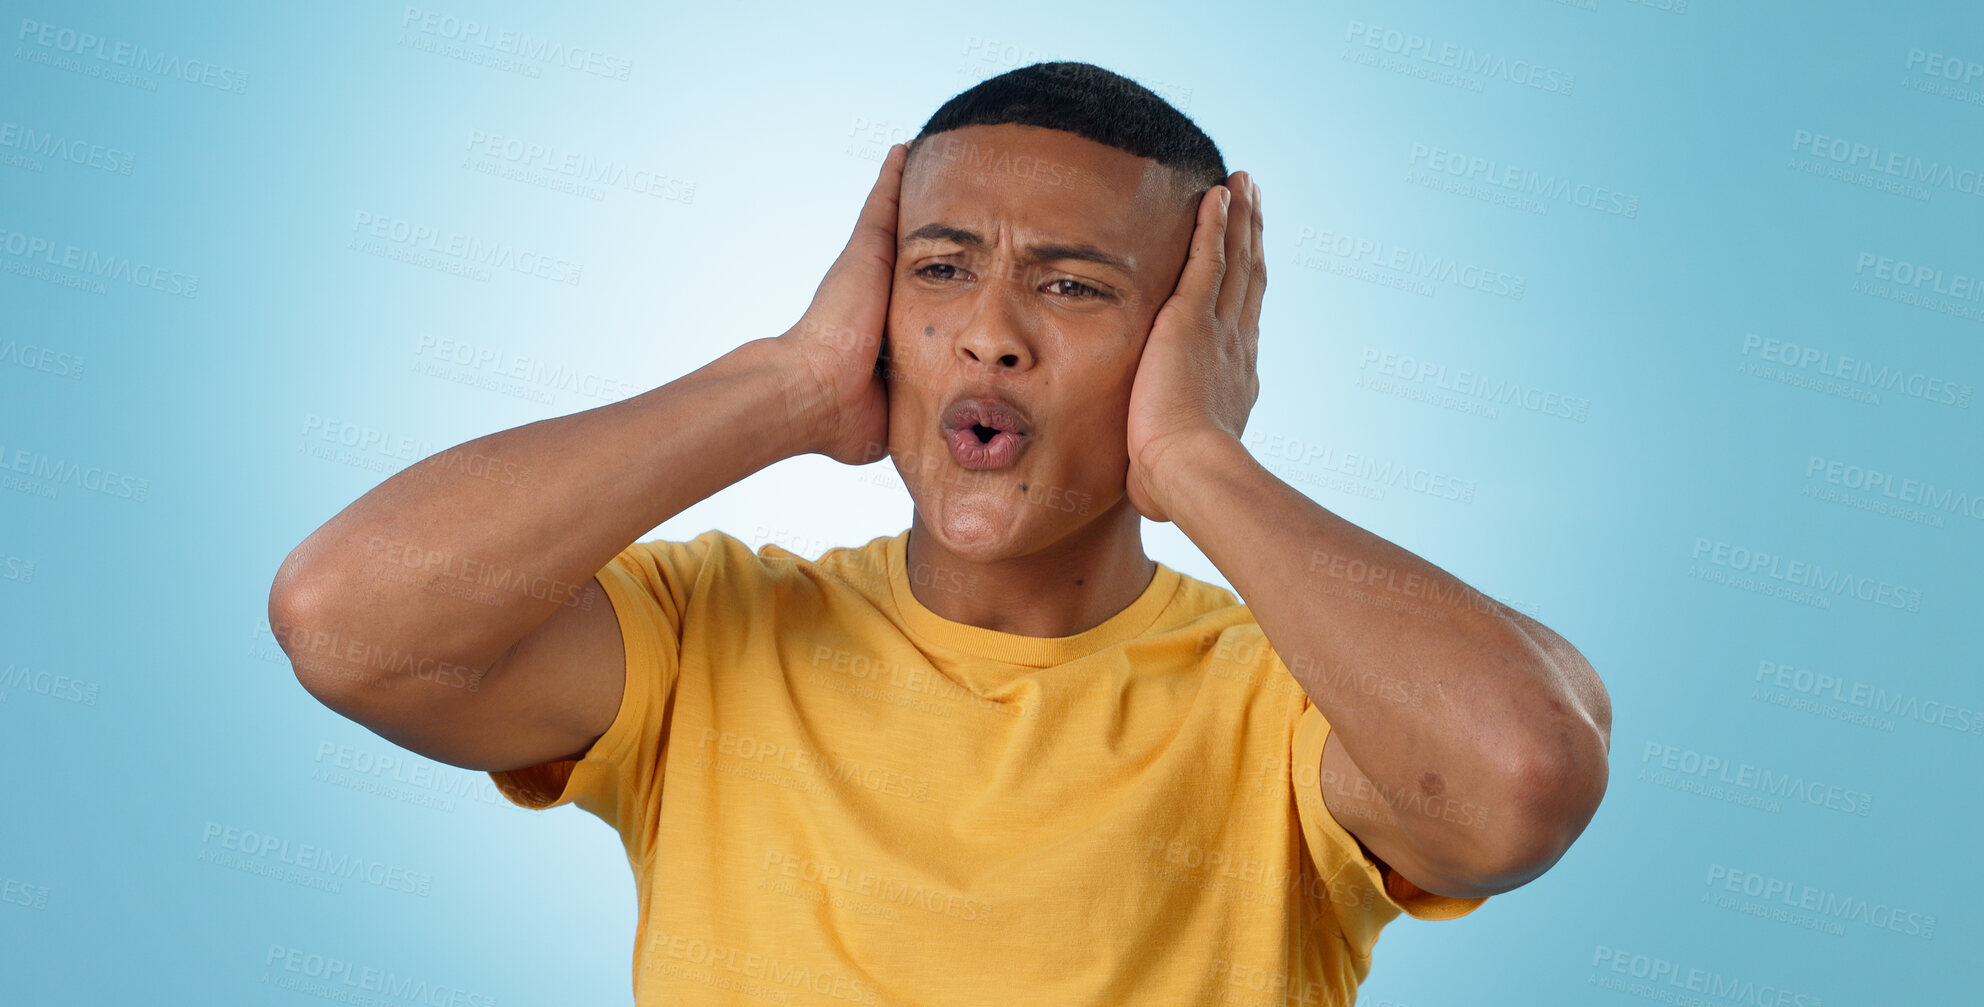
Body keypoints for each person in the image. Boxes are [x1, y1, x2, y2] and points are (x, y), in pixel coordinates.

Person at [269, 61, 1611, 1006]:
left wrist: (1198, 457)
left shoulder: (1292, 703)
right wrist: (787, 385)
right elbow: (347, 623)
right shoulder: (704, 638)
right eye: (942, 269)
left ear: (1185, 341)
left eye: (1071, 286)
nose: (989, 332)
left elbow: (1519, 777)